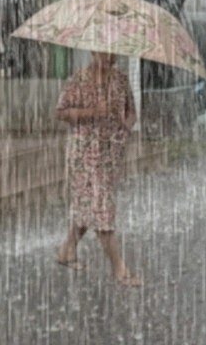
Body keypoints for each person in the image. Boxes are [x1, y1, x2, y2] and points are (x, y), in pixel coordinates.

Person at [54, 52, 142, 286]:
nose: (109, 57)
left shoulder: (121, 80)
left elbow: (131, 111)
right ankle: (119, 269)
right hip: (84, 154)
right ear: (93, 52)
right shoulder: (78, 80)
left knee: (87, 203)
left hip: (110, 153)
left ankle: (67, 250)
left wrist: (127, 124)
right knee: (102, 207)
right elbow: (60, 112)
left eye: (113, 53)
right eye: (104, 52)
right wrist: (90, 113)